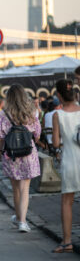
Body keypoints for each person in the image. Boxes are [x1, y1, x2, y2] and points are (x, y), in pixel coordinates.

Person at [0, 84, 41, 233]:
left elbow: (0, 137)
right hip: (28, 154)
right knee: (24, 188)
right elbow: (37, 135)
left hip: (11, 155)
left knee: (15, 188)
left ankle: (19, 217)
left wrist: (0, 151)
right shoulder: (31, 113)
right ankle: (22, 221)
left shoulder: (3, 114)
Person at [51, 79, 80, 253]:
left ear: (59, 96)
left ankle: (67, 241)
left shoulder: (58, 115)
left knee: (67, 202)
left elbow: (55, 143)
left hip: (70, 161)